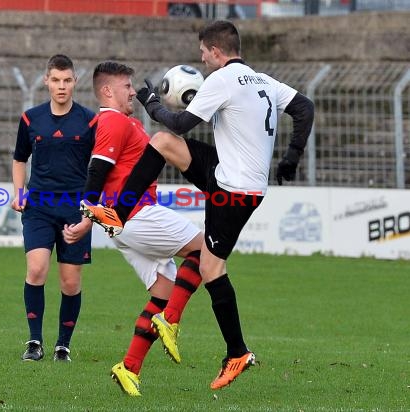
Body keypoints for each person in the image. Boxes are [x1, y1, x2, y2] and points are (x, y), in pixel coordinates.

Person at [82, 20, 315, 390]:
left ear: (217, 51)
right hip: (230, 175)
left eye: (204, 52)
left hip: (233, 190)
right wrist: (291, 156)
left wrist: (150, 101)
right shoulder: (263, 81)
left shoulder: (222, 81)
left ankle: (237, 352)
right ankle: (119, 215)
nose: (202, 59)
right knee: (161, 143)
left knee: (211, 267)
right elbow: (305, 108)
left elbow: (180, 121)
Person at [62, 61, 204, 396]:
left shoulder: (117, 121)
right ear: (108, 91)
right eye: (127, 87)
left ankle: (128, 368)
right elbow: (97, 170)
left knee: (162, 293)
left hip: (121, 224)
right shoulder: (112, 120)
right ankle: (171, 320)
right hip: (136, 216)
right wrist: (86, 216)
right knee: (206, 249)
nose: (132, 92)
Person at [11, 54, 97, 363]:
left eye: (67, 80)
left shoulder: (90, 120)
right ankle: (34, 341)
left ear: (75, 82)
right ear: (46, 81)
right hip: (39, 206)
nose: (61, 86)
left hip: (75, 210)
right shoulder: (30, 119)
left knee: (70, 282)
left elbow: (101, 166)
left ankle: (63, 344)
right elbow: (20, 158)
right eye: (56, 80)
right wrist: (19, 192)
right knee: (36, 270)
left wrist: (95, 204)